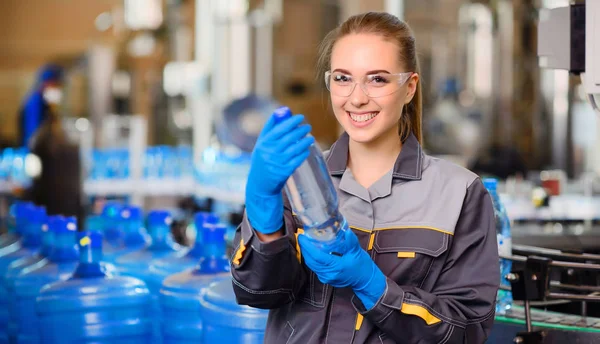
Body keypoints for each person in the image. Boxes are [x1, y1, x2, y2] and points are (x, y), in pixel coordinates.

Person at [231, 11, 499, 344]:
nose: (357, 98)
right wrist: (262, 211)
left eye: (378, 79)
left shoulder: (460, 194)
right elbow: (258, 293)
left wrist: (373, 286)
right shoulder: (298, 180)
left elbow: (466, 331)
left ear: (409, 87)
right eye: (343, 78)